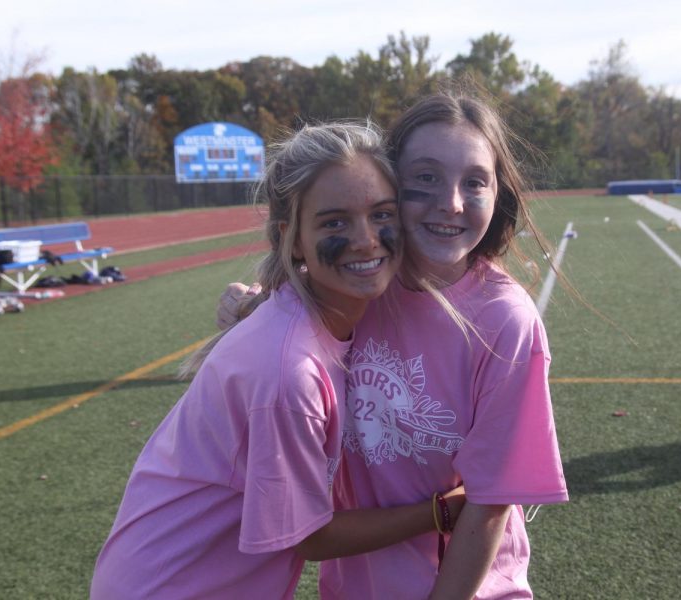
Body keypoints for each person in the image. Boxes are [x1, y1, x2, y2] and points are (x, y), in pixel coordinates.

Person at [90, 122, 465, 600]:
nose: (367, 239)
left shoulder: (304, 318)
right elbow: (310, 537)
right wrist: (444, 511)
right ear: (292, 238)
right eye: (334, 222)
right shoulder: (290, 373)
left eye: (382, 214)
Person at [219, 92, 568, 599]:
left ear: (498, 195)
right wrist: (242, 306)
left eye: (475, 182)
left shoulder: (504, 321)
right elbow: (284, 308)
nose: (451, 201)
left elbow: (489, 504)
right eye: (424, 178)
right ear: (388, 187)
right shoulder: (358, 285)